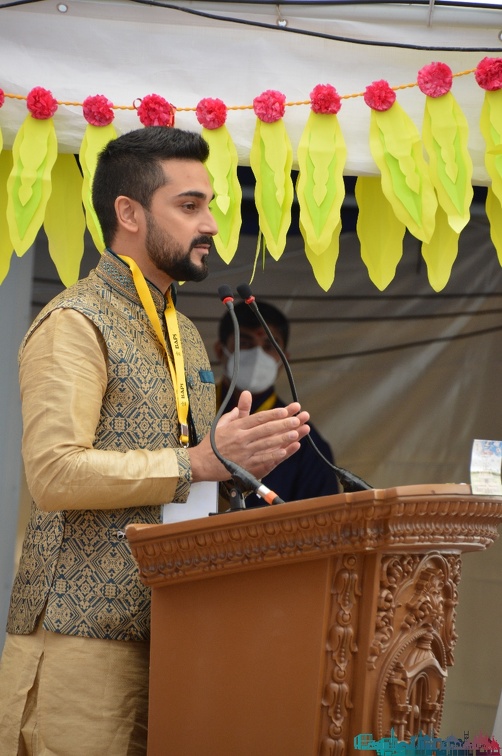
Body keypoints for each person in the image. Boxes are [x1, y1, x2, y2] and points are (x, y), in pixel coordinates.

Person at [0, 126, 311, 756]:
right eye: (190, 206)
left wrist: (241, 477)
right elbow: (54, 474)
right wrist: (199, 461)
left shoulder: (186, 335)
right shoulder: (76, 322)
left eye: (209, 206)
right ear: (129, 213)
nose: (211, 225)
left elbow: (192, 480)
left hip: (174, 637)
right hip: (79, 645)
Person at [214, 300, 339, 507]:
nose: (257, 355)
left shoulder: (302, 440)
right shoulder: (188, 412)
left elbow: (321, 519)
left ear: (283, 360)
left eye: (268, 346)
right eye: (245, 343)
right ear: (220, 351)